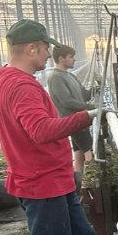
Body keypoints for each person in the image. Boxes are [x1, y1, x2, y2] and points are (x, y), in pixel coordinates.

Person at [0, 19, 107, 235]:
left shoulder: (5, 78)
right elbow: (41, 130)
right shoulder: (22, 86)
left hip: (53, 178)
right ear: (31, 49)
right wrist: (86, 116)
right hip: (42, 183)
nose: (48, 54)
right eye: (45, 48)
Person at [48, 44, 95, 174]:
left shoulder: (70, 76)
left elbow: (84, 95)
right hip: (73, 121)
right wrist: (91, 108)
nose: (74, 59)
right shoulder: (56, 77)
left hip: (81, 119)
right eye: (71, 57)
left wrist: (96, 88)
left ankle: (78, 181)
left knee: (79, 152)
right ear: (62, 58)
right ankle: (91, 180)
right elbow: (66, 101)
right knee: (89, 151)